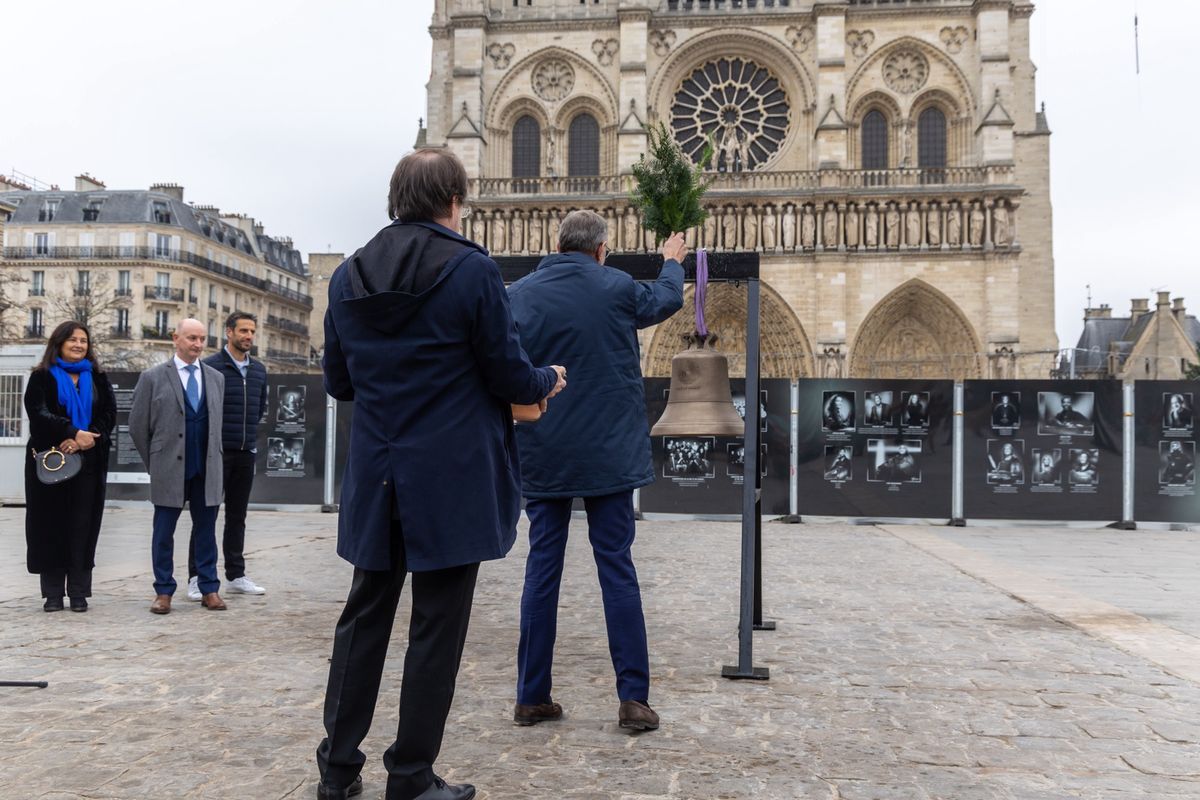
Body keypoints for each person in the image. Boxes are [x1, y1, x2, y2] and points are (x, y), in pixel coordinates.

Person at [315, 149, 565, 800]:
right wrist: (548, 380)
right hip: (450, 478)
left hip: (377, 476)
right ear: (454, 201)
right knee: (435, 629)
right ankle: (410, 775)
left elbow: (340, 382)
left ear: (397, 197)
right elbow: (509, 373)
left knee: (363, 619)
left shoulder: (347, 276)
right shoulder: (473, 269)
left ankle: (337, 772)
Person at [507, 209, 685, 733]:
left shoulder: (521, 293)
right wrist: (671, 262)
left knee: (542, 571)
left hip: (545, 450)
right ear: (601, 249)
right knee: (617, 570)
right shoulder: (617, 286)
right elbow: (667, 299)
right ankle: (633, 697)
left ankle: (531, 695)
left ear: (558, 245)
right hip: (608, 455)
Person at [129, 318, 227, 614]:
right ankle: (163, 591)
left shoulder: (215, 378)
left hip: (206, 467)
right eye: (191, 338)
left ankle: (209, 588)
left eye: (202, 339)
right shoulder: (153, 377)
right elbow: (137, 426)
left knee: (207, 531)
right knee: (163, 532)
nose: (197, 344)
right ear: (176, 338)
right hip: (168, 467)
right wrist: (155, 462)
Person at [23, 321, 116, 612]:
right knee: (50, 526)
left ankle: (78, 591)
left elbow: (109, 414)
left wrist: (83, 440)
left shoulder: (98, 378)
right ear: (59, 342)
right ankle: (52, 594)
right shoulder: (41, 376)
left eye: (84, 341)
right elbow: (37, 413)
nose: (79, 345)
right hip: (50, 463)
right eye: (73, 340)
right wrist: (70, 432)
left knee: (82, 526)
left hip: (88, 462)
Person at [186, 311, 269, 602]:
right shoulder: (209, 367)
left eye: (252, 331)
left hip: (246, 453)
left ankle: (236, 575)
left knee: (238, 517)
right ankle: (197, 577)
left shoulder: (259, 371)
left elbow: (259, 409)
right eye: (243, 330)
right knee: (205, 515)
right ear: (229, 332)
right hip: (215, 453)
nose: (248, 336)